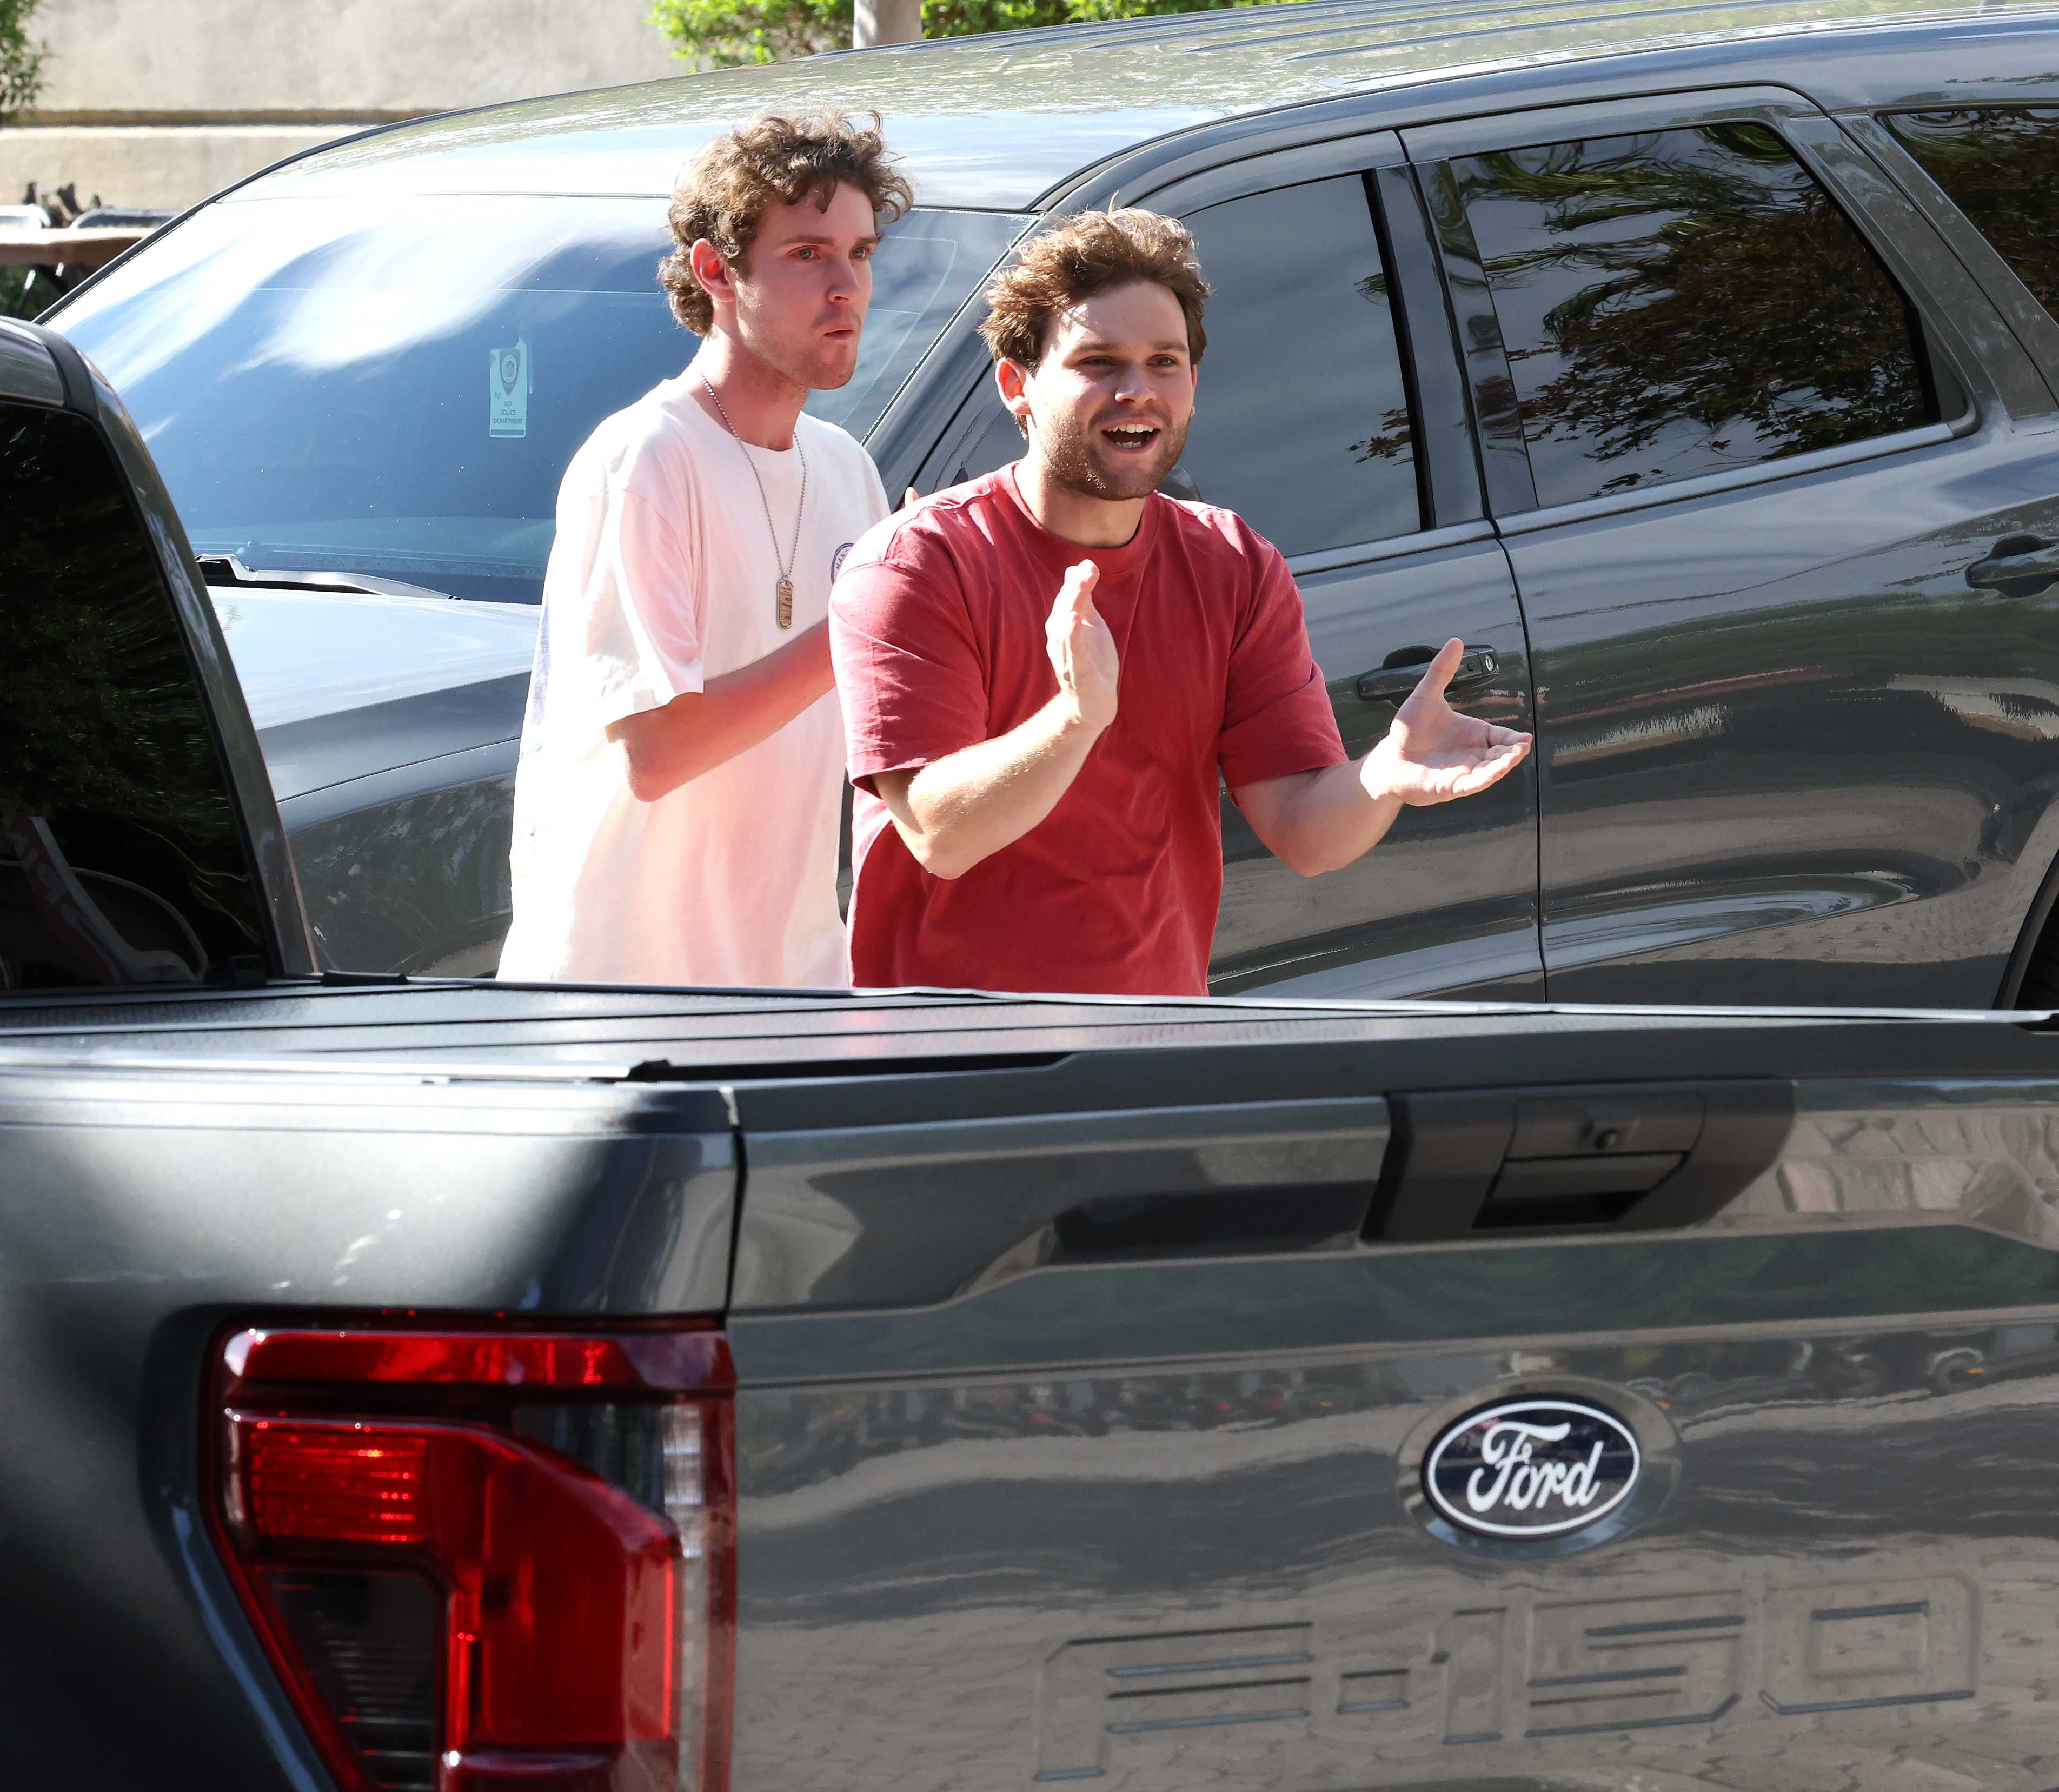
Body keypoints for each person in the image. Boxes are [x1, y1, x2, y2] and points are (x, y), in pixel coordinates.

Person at [829, 207, 1531, 997]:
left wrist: (1383, 776)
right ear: (1016, 387)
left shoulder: (1232, 566)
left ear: (1193, 384)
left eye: (1164, 362)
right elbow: (936, 832)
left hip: (1159, 1052)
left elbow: (1306, 832)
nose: (1137, 391)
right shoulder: (914, 565)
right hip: (952, 1068)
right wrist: (1074, 720)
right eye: (1099, 362)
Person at [497, 112, 909, 987]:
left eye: (861, 252)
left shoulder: (847, 471)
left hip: (792, 990)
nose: (847, 286)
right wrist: (860, 620)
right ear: (716, 270)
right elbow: (658, 750)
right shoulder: (645, 457)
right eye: (807, 254)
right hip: (624, 998)